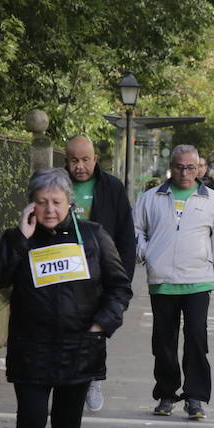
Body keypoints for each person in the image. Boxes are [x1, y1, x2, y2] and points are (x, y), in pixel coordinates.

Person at [0, 168, 132, 428]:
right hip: (32, 349)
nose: (49, 209)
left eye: (56, 202)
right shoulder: (21, 239)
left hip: (80, 348)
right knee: (30, 424)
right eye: (42, 202)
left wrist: (101, 325)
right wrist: (19, 237)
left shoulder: (94, 237)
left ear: (70, 203)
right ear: (32, 204)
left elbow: (119, 288)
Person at [133, 145, 214, 420]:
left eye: (191, 167)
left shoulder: (211, 199)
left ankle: (196, 397)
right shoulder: (151, 197)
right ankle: (166, 394)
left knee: (196, 340)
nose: (185, 172)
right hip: (162, 281)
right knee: (163, 341)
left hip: (198, 282)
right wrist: (146, 252)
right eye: (180, 166)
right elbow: (134, 230)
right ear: (171, 167)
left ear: (199, 168)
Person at [64, 135, 137, 413]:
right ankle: (66, 380)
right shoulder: (57, 185)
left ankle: (94, 378)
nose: (80, 166)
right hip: (64, 270)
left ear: (95, 159)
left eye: (85, 159)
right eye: (74, 160)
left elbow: (126, 237)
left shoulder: (112, 188)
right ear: (66, 160)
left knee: (97, 328)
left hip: (99, 272)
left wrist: (123, 280)